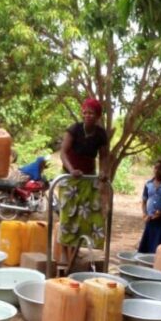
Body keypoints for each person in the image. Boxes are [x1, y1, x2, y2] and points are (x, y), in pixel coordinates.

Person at [59, 98, 109, 257]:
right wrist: (72, 169)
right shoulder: (74, 129)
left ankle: (77, 252)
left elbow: (104, 156)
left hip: (88, 179)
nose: (87, 115)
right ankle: (65, 255)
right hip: (70, 179)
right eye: (85, 112)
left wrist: (103, 172)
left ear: (98, 116)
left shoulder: (101, 134)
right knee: (68, 218)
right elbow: (63, 153)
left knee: (87, 217)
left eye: (91, 113)